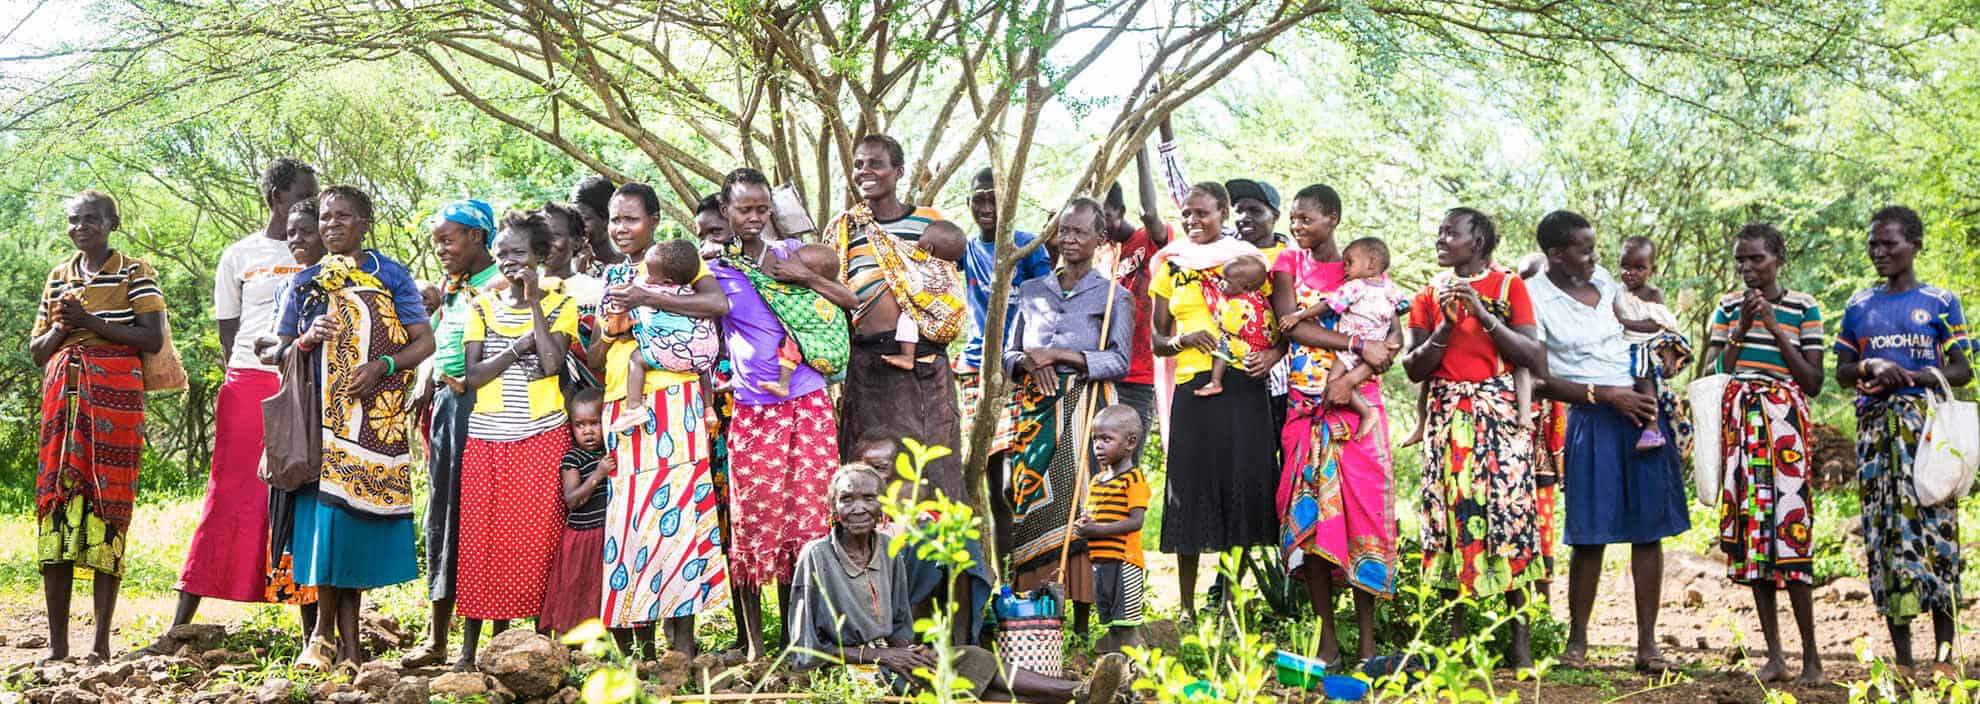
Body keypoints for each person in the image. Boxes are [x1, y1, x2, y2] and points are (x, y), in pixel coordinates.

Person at [785, 464, 1133, 704]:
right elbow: (804, 651)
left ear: (882, 507)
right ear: (833, 507)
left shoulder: (888, 551)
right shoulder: (816, 556)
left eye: (868, 498)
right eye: (847, 499)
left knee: (971, 658)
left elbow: (900, 627)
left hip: (891, 659)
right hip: (848, 670)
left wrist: (910, 651)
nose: (858, 508)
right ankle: (1075, 693)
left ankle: (1081, 693)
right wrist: (881, 655)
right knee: (930, 679)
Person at [274, 185, 435, 668]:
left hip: (372, 424)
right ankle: (326, 637)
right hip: (318, 423)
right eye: (326, 217)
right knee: (327, 522)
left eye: (343, 216)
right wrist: (307, 338)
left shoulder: (391, 274)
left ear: (365, 223)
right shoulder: (305, 282)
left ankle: (345, 644)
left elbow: (422, 342)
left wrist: (383, 366)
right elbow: (278, 351)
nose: (332, 225)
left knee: (353, 526)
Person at [1523, 210, 1687, 674]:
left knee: (1648, 530)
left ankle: (1648, 645)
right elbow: (1541, 380)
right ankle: (1577, 642)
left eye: (1595, 248)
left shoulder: (1605, 283)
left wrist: (1663, 356)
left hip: (1641, 413)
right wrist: (1606, 395)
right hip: (1593, 416)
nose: (1595, 258)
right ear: (1557, 254)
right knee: (1588, 533)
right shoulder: (1534, 297)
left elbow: (1638, 332)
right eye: (1585, 250)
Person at [168, 157, 318, 639]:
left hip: (302, 384)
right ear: (277, 198)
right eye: (303, 195)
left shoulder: (322, 253)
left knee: (298, 493)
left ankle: (313, 633)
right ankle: (180, 622)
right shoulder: (240, 255)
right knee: (230, 493)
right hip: (248, 383)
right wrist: (257, 370)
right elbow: (229, 332)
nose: (313, 204)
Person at [705, 167, 846, 660]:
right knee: (752, 520)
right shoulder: (714, 268)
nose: (754, 217)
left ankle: (797, 640)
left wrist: (802, 275)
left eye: (762, 209)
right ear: (725, 211)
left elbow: (848, 301)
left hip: (807, 402)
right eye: (744, 209)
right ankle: (755, 647)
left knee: (806, 520)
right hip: (752, 408)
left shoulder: (792, 255)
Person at [587, 182, 732, 658]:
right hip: (622, 405)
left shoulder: (679, 262)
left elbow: (717, 305)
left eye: (631, 219)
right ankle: (642, 649)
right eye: (615, 219)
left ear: (654, 221)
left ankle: (682, 647)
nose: (620, 228)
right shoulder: (611, 276)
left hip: (675, 400)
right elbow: (596, 354)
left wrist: (647, 299)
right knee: (632, 522)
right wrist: (614, 326)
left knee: (679, 518)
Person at [1402, 207, 1547, 668]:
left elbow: (1531, 355)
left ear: (1478, 242)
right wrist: (1446, 326)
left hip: (1499, 419)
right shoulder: (1428, 295)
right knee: (1451, 519)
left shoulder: (1509, 288)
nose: (1441, 239)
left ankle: (1520, 640)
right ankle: (1457, 639)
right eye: (1440, 232)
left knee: (1510, 516)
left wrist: (1482, 314)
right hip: (1447, 420)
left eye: (1451, 233)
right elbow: (1413, 368)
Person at [1834, 206, 1972, 676]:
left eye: (1889, 243)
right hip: (1876, 437)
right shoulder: (1859, 305)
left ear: (1915, 245)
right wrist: (1870, 366)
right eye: (1873, 244)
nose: (1879, 252)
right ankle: (1904, 662)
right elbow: (1841, 371)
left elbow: (1963, 369)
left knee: (1938, 538)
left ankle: (1946, 659)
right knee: (1886, 540)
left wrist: (1910, 375)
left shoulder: (1940, 302)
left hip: (1927, 435)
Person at [30, 190, 167, 663]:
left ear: (112, 223)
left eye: (91, 219)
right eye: (74, 220)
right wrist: (63, 327)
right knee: (56, 509)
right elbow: (37, 352)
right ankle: (58, 646)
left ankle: (101, 645)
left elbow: (152, 338)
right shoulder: (58, 277)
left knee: (109, 508)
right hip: (62, 408)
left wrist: (89, 321)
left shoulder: (135, 272)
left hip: (115, 405)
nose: (80, 227)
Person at [1270, 184, 1399, 664]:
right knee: (1311, 522)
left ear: (1333, 219)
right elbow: (1293, 325)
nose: (1297, 226)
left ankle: (1367, 641)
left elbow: (1392, 338)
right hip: (1306, 408)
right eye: (1294, 218)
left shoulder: (1364, 266)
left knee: (1364, 516)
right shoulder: (1288, 264)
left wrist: (1351, 379)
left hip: (1358, 408)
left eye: (1306, 218)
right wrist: (1356, 344)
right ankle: (1327, 638)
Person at [1000, 198, 1135, 635]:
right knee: (1024, 496)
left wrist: (1059, 355)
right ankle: (1033, 614)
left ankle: (1078, 622)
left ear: (1100, 239)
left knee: (1079, 503)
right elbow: (1008, 354)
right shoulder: (1032, 289)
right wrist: (1029, 363)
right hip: (1034, 406)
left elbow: (1119, 360)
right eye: (1064, 231)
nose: (1070, 239)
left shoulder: (1115, 295)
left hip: (1084, 407)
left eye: (1080, 232)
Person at [1697, 224, 1825, 685]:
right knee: (1754, 540)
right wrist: (1741, 331)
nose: (1747, 268)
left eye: (1756, 259)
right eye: (1741, 260)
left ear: (1778, 259)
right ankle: (1775, 656)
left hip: (1785, 427)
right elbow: (1713, 372)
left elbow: (1813, 381)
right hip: (1741, 426)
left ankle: (1812, 658)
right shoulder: (1728, 307)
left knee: (1791, 534)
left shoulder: (1804, 307)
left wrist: (1773, 326)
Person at [812, 134, 969, 508]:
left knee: (934, 470)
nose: (865, 171)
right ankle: (874, 547)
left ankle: (940, 547)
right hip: (868, 368)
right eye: (859, 165)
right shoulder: (845, 228)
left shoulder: (929, 222)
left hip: (923, 367)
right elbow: (831, 296)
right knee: (869, 472)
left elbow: (944, 287)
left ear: (898, 172)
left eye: (876, 164)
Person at [454, 212, 581, 670]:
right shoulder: (480, 306)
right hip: (488, 438)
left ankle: (540, 651)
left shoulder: (561, 304)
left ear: (540, 257)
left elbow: (551, 364)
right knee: (481, 543)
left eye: (519, 253)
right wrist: (516, 347)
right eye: (502, 253)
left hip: (542, 435)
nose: (508, 261)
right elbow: (473, 376)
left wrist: (534, 307)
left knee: (539, 543)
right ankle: (470, 652)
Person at [1150, 182, 1281, 616]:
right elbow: (1157, 340)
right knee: (1188, 489)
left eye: (1202, 213)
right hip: (1193, 387)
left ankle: (1228, 601)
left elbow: (1279, 323)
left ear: (1223, 212)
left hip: (1244, 385)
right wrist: (1184, 339)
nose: (1193, 221)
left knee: (1239, 487)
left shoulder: (1249, 261)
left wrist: (1272, 354)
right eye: (1186, 214)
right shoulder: (1172, 266)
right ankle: (1186, 606)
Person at [403, 199, 505, 668]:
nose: (441, 249)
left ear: (476, 237)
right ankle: (437, 637)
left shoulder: (501, 282)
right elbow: (437, 341)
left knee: (483, 517)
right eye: (437, 242)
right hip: (447, 405)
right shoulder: (451, 287)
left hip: (484, 407)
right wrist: (426, 374)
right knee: (442, 515)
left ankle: (495, 641)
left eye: (448, 240)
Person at [256, 198, 325, 621]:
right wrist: (297, 344)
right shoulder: (291, 286)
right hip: (300, 410)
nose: (296, 240)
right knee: (296, 509)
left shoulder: (349, 283)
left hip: (338, 411)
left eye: (306, 231)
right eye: (291, 232)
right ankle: (310, 633)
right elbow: (272, 348)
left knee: (327, 520)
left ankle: (334, 631)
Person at [957, 168, 1054, 441]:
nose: (987, 208)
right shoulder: (967, 250)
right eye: (979, 199)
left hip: (1019, 365)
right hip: (977, 364)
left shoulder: (1027, 246)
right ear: (968, 203)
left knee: (1017, 447)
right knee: (982, 448)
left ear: (1009, 203)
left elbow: (1046, 304)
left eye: (995, 200)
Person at [1277, 236, 1405, 434]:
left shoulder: (1359, 282)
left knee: (1333, 382)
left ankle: (1363, 412)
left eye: (1349, 263)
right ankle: (1348, 412)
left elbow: (1396, 336)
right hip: (1308, 383)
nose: (1346, 269)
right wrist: (1362, 343)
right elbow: (1403, 306)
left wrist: (1299, 315)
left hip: (1361, 375)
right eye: (1293, 220)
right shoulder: (1384, 286)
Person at [611, 238, 719, 433]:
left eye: (650, 273)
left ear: (667, 281)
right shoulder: (692, 293)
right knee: (701, 363)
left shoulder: (646, 290)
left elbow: (633, 317)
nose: (646, 276)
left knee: (636, 359)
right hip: (706, 354)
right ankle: (709, 407)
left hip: (674, 355)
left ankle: (634, 407)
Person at [1075, 405, 1150, 654]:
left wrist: (1096, 530)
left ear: (1130, 442)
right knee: (1112, 623)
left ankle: (1136, 667)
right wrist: (1085, 524)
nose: (1098, 446)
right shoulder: (1097, 481)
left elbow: (1136, 521)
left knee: (1126, 625)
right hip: (1101, 563)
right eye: (1095, 439)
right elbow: (1095, 515)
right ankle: (1116, 665)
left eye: (1106, 439)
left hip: (1124, 562)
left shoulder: (1134, 479)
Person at [1100, 178, 1170, 441]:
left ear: (1120, 211)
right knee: (1099, 453)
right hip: (1105, 371)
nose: (1099, 227)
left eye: (1105, 217)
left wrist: (1140, 154)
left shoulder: (1148, 239)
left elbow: (1149, 213)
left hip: (1140, 375)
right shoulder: (1102, 255)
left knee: (1127, 451)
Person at [541, 389, 611, 637]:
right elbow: (572, 500)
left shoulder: (611, 452)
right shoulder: (573, 458)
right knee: (574, 593)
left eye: (594, 423)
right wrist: (598, 475)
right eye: (580, 425)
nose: (588, 431)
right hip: (582, 538)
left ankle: (600, 646)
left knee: (600, 593)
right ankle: (565, 646)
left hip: (606, 537)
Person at [1615, 236, 1687, 450]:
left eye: (1639, 268)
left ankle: (1652, 427)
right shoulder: (1617, 292)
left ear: (1652, 270)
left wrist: (1624, 323)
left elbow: (1656, 325)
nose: (1630, 272)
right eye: (1625, 266)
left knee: (1642, 372)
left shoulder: (1653, 294)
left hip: (1645, 344)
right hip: (1622, 344)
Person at [884, 220, 966, 370]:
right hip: (952, 326)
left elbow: (911, 279)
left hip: (940, 325)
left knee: (908, 317)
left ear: (929, 248)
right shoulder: (951, 269)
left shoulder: (930, 267)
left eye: (921, 236)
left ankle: (907, 356)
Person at [1193, 254, 1274, 397]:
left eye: (1227, 281)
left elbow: (1227, 324)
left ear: (1245, 286)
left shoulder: (1242, 303)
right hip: (1263, 346)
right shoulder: (1258, 295)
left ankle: (1215, 382)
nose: (1221, 283)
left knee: (1223, 341)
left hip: (1252, 350)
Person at [571, 175, 624, 272]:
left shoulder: (629, 268)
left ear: (607, 219)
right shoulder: (562, 265)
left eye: (584, 219)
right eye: (573, 218)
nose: (576, 226)